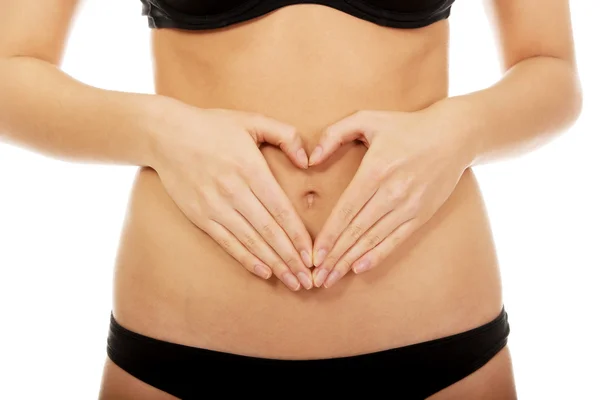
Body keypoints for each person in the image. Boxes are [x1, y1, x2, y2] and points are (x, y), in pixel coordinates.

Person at [0, 0, 581, 398]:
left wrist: (460, 131)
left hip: (442, 348)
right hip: (177, 347)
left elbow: (551, 70)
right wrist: (157, 129)